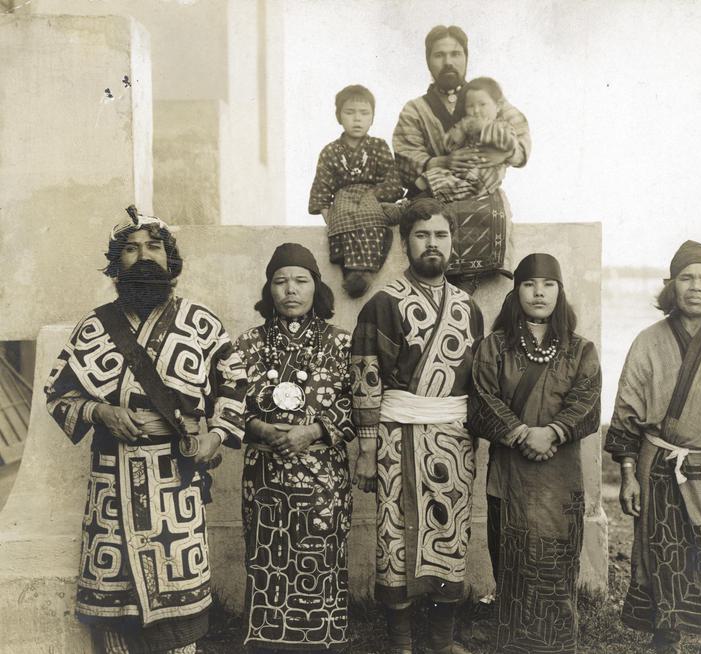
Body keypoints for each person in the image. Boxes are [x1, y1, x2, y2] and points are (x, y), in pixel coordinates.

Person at [44, 207, 246, 654]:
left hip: (176, 481)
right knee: (115, 617)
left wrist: (215, 437)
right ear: (117, 264)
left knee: (178, 617)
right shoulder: (93, 327)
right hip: (112, 481)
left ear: (170, 260)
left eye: (153, 247)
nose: (143, 256)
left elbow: (234, 385)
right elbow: (58, 394)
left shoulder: (202, 324)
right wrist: (100, 413)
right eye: (131, 249)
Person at [605, 241, 701, 654]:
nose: (696, 287)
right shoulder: (648, 341)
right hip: (658, 467)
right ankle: (666, 642)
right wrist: (627, 476)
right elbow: (626, 413)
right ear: (671, 285)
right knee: (663, 557)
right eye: (686, 277)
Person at [350, 197, 484, 654]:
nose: (432, 243)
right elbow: (367, 377)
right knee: (395, 537)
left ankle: (442, 640)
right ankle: (401, 642)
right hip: (395, 437)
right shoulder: (384, 304)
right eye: (422, 235)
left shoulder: (468, 307)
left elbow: (478, 379)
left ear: (452, 242)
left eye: (441, 235)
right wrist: (367, 449)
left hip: (453, 438)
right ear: (405, 242)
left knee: (452, 533)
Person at [469, 253, 601, 654]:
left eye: (548, 284)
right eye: (529, 284)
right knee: (512, 566)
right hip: (510, 475)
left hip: (560, 478)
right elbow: (482, 399)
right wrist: (522, 432)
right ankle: (514, 645)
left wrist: (554, 432)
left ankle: (559, 645)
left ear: (560, 292)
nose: (538, 292)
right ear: (516, 291)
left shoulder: (580, 350)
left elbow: (587, 402)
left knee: (556, 567)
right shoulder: (494, 346)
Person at [234, 243, 356, 652]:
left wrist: (315, 431)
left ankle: (324, 638)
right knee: (268, 556)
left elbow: (359, 407)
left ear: (316, 287)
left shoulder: (342, 344)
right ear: (269, 289)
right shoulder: (247, 344)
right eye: (280, 281)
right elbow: (230, 404)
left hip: (324, 476)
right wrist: (259, 428)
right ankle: (268, 640)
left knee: (320, 556)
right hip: (266, 474)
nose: (290, 290)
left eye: (300, 281)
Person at [393, 24, 531, 291]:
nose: (448, 62)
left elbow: (522, 145)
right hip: (436, 188)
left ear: (466, 57)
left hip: (482, 185)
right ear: (428, 60)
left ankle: (469, 283)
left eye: (456, 54)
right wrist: (440, 162)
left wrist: (500, 152)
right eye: (439, 55)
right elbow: (404, 156)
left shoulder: (488, 98)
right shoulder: (415, 109)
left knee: (490, 212)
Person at [308, 84, 404, 298]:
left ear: (372, 118)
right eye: (350, 113)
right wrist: (329, 217)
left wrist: (376, 197)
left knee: (371, 215)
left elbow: (392, 179)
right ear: (339, 116)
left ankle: (368, 271)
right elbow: (323, 185)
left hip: (373, 195)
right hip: (343, 197)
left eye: (364, 113)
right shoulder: (330, 151)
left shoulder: (378, 146)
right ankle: (351, 271)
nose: (357, 119)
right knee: (342, 215)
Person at [428, 76, 517, 202]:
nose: (476, 111)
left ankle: (418, 204)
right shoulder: (466, 125)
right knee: (434, 177)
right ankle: (414, 203)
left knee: (442, 186)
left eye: (482, 104)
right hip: (460, 173)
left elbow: (509, 143)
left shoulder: (502, 126)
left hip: (481, 180)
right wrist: (460, 131)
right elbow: (448, 146)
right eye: (470, 106)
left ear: (498, 106)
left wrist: (484, 128)